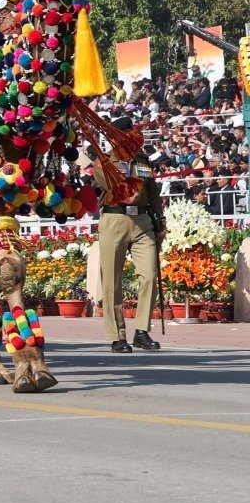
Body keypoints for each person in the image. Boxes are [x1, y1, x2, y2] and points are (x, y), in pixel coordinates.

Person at [93, 114, 163, 353]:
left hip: (142, 220)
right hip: (115, 218)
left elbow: (152, 192)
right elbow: (114, 187)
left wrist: (160, 220)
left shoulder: (143, 160)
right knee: (112, 281)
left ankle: (142, 330)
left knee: (149, 275)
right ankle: (117, 336)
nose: (132, 137)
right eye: (126, 134)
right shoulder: (104, 161)